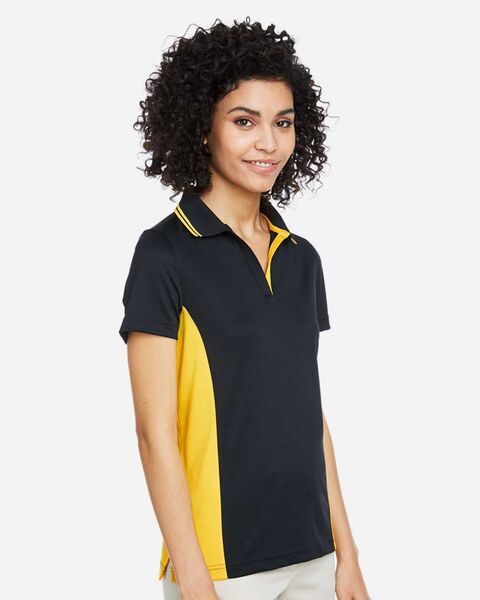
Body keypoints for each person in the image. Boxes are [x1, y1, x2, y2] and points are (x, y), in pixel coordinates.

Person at [119, 17, 370, 600]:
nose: (269, 143)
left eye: (283, 122)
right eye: (244, 121)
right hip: (221, 568)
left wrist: (348, 555)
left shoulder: (301, 257)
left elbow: (310, 416)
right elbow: (155, 433)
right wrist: (193, 578)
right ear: (201, 128)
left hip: (315, 555)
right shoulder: (164, 253)